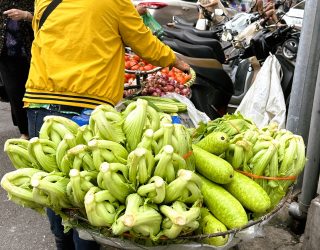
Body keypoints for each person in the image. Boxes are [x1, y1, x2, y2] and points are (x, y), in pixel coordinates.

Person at [23, 0, 190, 249]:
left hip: (40, 102)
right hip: (87, 106)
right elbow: (144, 43)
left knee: (52, 186)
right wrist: (177, 61)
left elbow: (56, 36)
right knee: (88, 195)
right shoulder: (114, 1)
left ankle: (61, 241)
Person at [0, 1, 33, 139]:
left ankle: (39, 126)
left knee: (34, 91)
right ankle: (24, 132)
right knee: (15, 93)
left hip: (32, 50)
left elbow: (47, 17)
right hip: (6, 52)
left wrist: (26, 15)